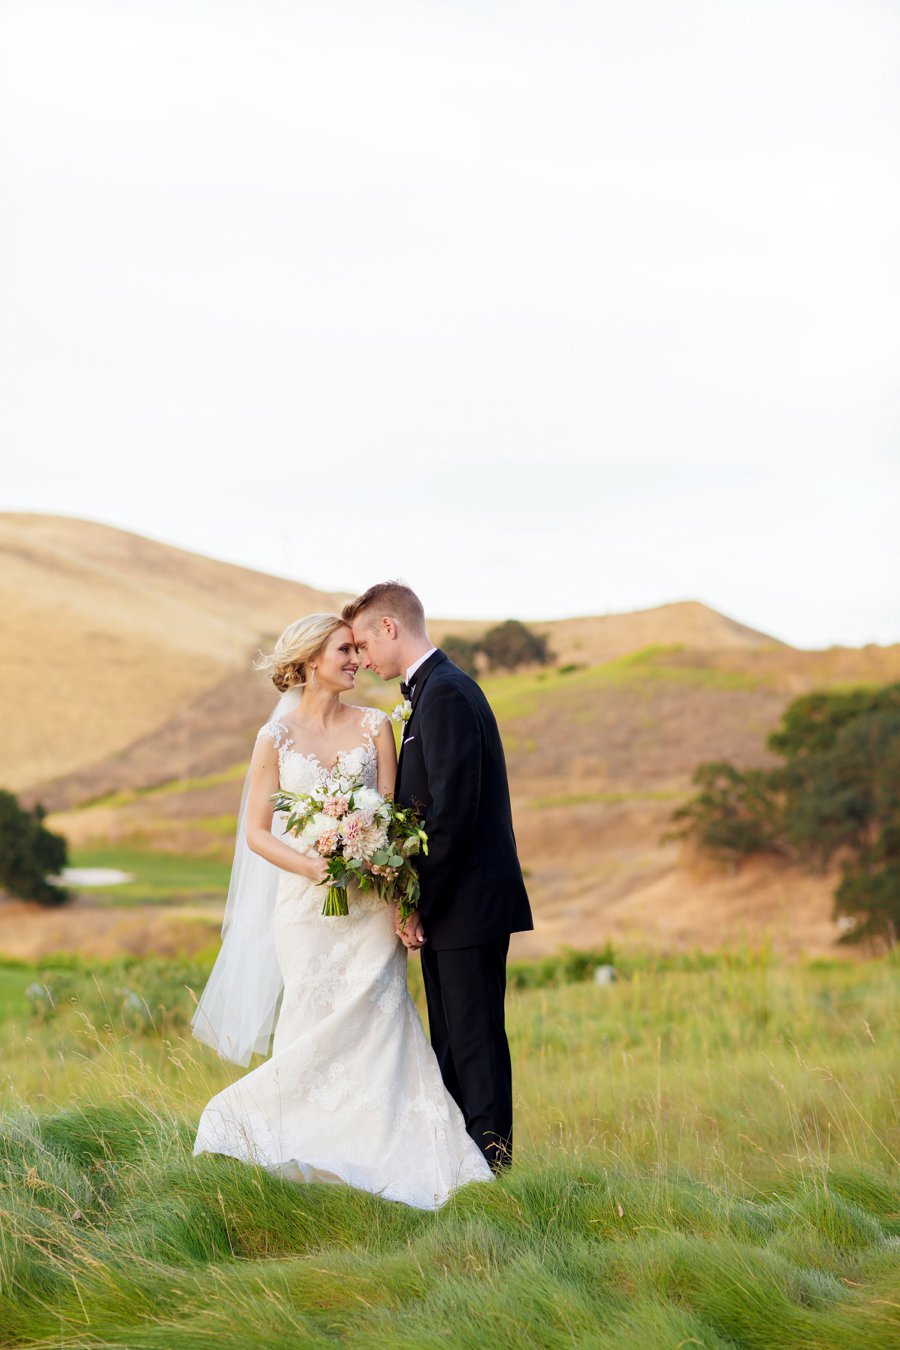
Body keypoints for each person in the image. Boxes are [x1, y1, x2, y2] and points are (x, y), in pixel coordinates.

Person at [191, 613, 492, 1209]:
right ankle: (292, 1138)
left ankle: (390, 1149)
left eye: (358, 649)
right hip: (306, 911)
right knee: (312, 1022)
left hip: (369, 910)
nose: (356, 659)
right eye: (344, 650)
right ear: (310, 661)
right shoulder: (273, 740)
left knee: (379, 1024)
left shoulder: (376, 726)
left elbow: (393, 820)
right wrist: (318, 867)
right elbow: (256, 832)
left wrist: (391, 887)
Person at [344, 583, 533, 1169]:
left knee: (474, 1044)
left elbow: (450, 813)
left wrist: (415, 899)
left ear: (389, 629)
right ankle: (466, 1169)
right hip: (458, 902)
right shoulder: (432, 692)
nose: (362, 659)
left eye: (363, 644)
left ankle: (492, 1170)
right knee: (454, 1043)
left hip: (467, 903)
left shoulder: (446, 695)